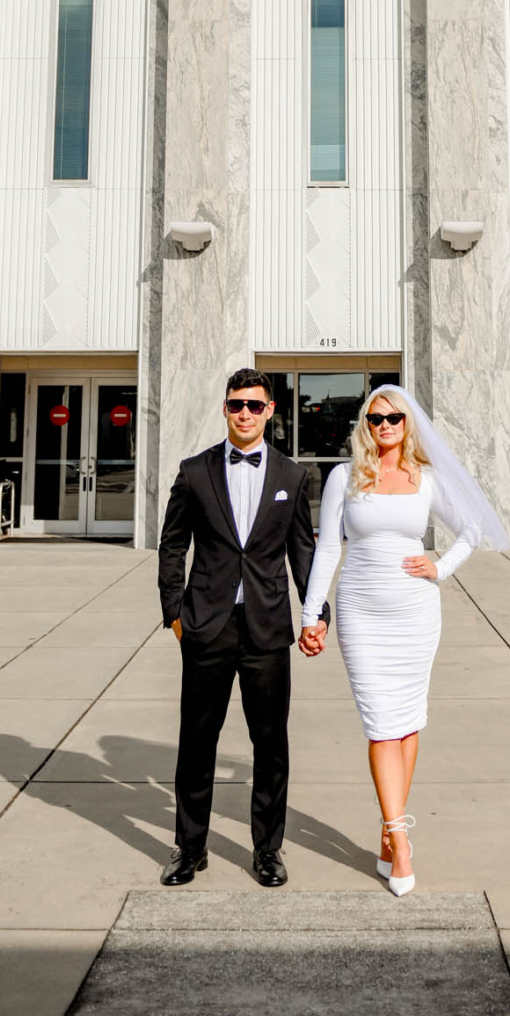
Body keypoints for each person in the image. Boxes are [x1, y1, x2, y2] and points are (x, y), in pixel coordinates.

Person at [300, 384, 510, 896]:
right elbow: (327, 547)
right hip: (360, 611)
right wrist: (310, 614)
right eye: (375, 418)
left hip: (415, 613)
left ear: (407, 423)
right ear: (365, 426)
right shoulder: (344, 478)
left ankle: (388, 832)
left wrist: (440, 569)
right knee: (380, 725)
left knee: (408, 721)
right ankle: (400, 836)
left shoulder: (427, 480)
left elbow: (472, 529)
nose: (385, 425)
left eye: (394, 417)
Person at [157, 368, 329, 888]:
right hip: (206, 625)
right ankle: (189, 848)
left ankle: (268, 850)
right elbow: (172, 545)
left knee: (271, 743)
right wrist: (174, 613)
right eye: (237, 405)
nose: (246, 414)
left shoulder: (292, 476)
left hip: (266, 627)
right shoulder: (194, 472)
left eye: (255, 405)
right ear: (225, 409)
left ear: (271, 410)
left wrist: (315, 613)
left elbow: (303, 549)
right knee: (197, 741)